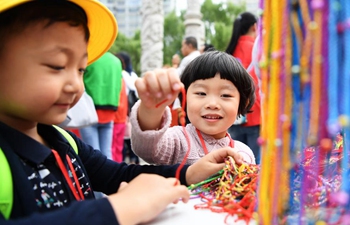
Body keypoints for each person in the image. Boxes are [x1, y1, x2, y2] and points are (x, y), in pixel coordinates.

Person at [0, 1, 245, 224]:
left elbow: (117, 174)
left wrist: (189, 173)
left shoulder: (61, 140)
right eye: (57, 66)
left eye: (81, 70)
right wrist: (117, 209)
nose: (76, 85)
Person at [130, 51, 256, 165]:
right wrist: (151, 109)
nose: (212, 104)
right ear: (184, 98)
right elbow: (147, 149)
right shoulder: (179, 140)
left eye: (225, 95)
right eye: (201, 93)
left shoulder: (244, 153)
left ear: (243, 103)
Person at [225, 12, 262, 164]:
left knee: (235, 161)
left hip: (233, 113)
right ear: (255, 26)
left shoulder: (229, 51)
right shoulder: (257, 48)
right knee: (255, 162)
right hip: (255, 112)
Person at [79, 51, 123, 160]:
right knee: (107, 152)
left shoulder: (90, 59)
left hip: (89, 111)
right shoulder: (116, 61)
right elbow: (119, 86)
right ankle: (110, 177)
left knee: (93, 154)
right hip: (110, 112)